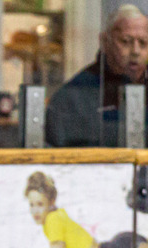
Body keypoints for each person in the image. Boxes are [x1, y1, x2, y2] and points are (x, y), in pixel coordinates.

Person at [2, 171, 148, 248]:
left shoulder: (53, 222)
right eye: (31, 205)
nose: (35, 211)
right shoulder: (57, 217)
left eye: (40, 204)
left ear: (51, 201)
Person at [46, 5, 148, 148]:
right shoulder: (73, 97)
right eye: (125, 41)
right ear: (105, 41)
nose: (136, 51)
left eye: (143, 43)